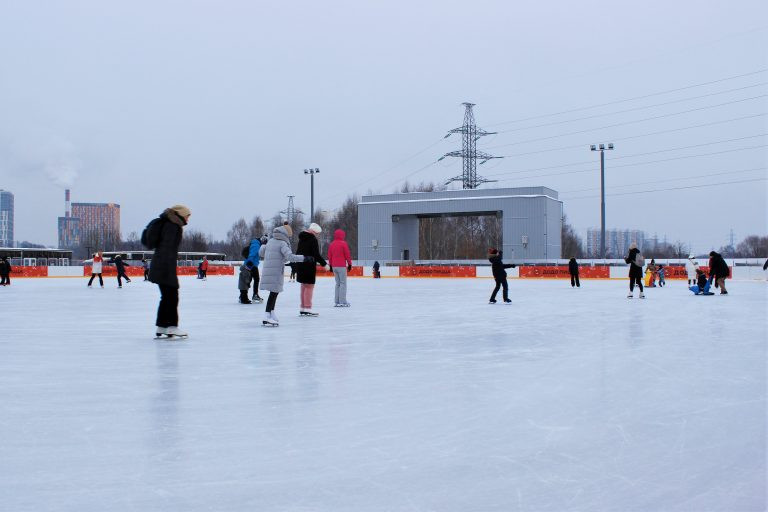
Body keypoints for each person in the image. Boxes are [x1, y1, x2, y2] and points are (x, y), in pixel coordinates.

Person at [149, 205, 190, 338]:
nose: (188, 219)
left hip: (160, 265)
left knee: (166, 297)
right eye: (187, 216)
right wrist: (168, 271)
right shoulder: (173, 226)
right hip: (165, 266)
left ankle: (162, 326)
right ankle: (172, 326)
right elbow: (167, 248)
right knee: (172, 297)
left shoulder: (168, 224)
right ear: (181, 215)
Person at [259, 223, 311, 326]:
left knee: (275, 293)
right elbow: (290, 257)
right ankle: (266, 316)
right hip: (275, 271)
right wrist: (304, 258)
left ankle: (271, 313)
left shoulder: (270, 241)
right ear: (285, 234)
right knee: (273, 294)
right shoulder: (282, 243)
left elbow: (261, 253)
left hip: (269, 271)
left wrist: (263, 244)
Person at [295, 223, 327, 316]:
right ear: (314, 232)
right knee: (309, 287)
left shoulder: (301, 238)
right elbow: (316, 255)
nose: (318, 235)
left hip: (301, 264)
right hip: (308, 266)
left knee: (303, 286)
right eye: (318, 233)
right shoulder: (312, 239)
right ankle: (307, 308)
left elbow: (298, 252)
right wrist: (324, 264)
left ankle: (302, 307)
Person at [327, 229, 353, 307]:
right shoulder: (343, 244)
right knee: (343, 283)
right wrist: (349, 264)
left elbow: (329, 256)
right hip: (341, 266)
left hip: (334, 266)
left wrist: (330, 265)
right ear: (342, 235)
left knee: (337, 284)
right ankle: (342, 301)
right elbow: (347, 255)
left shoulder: (332, 244)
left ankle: (337, 301)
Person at [238, 235, 266, 304]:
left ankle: (243, 296)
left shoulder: (256, 244)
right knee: (253, 279)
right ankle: (253, 295)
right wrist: (249, 262)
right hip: (251, 264)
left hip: (252, 264)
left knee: (249, 279)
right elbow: (252, 254)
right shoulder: (256, 245)